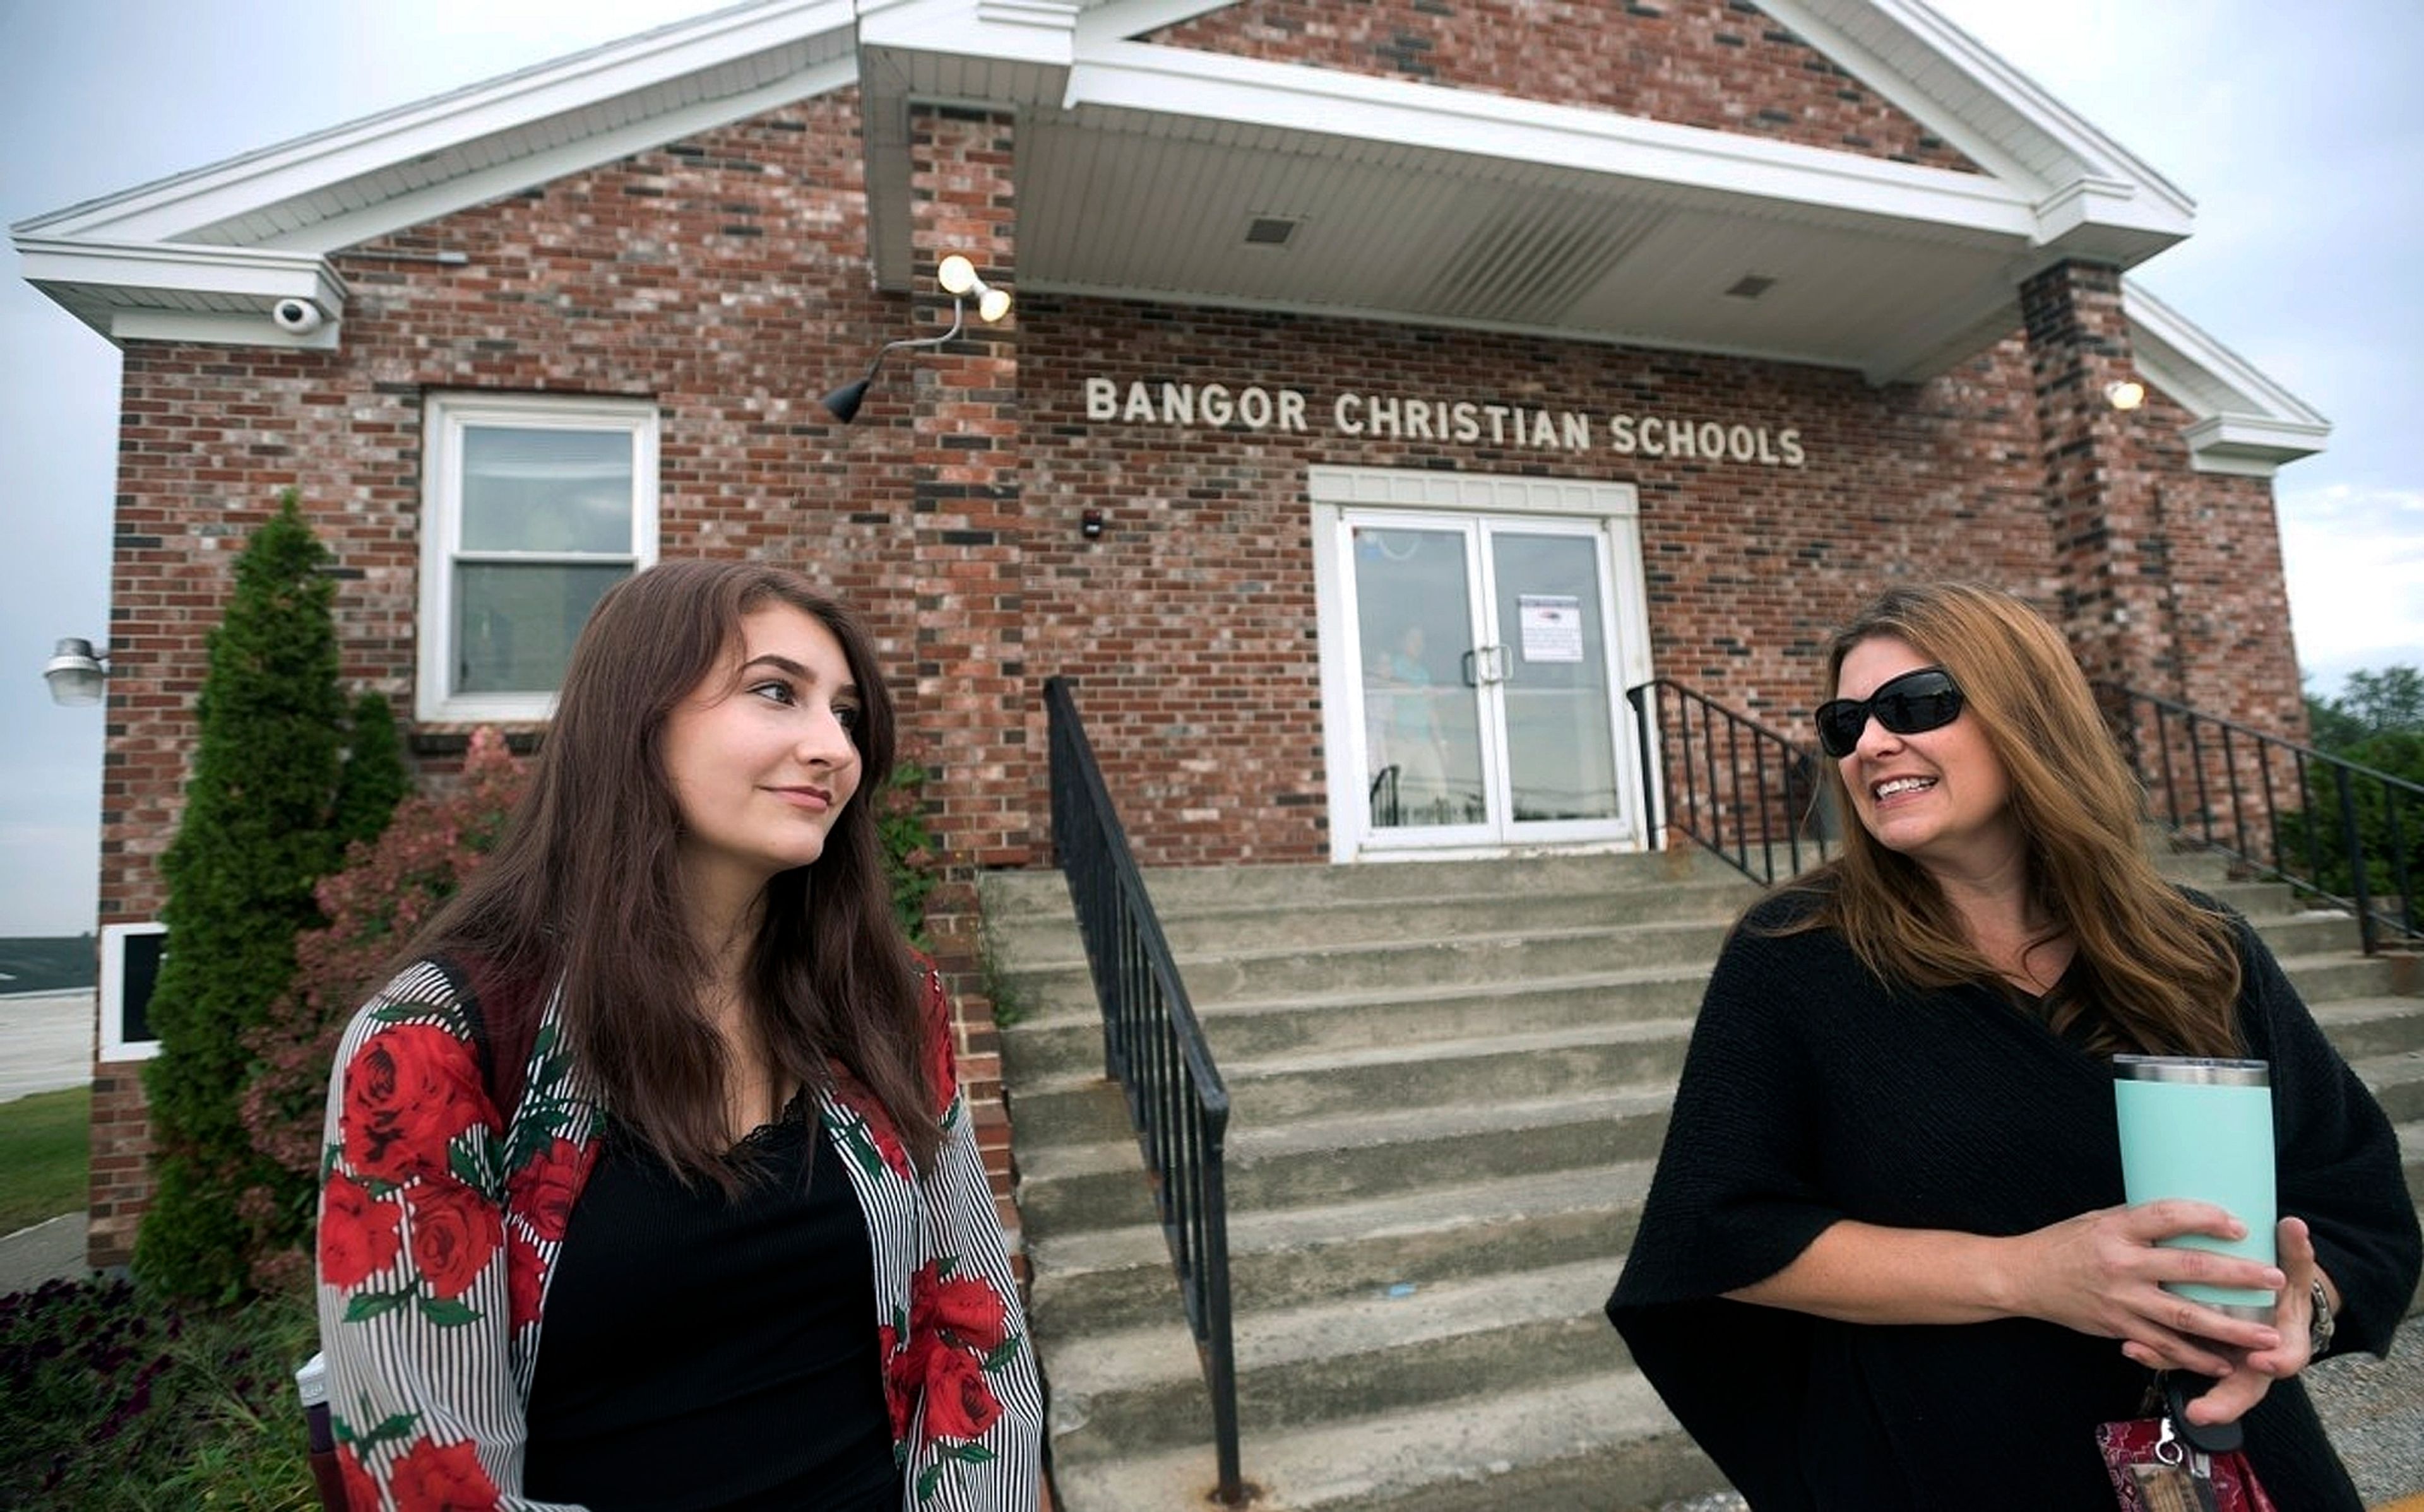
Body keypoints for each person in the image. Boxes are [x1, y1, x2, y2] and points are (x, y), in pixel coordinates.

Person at [1605, 582, 2419, 1509]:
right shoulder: (1796, 959)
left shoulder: (2200, 948)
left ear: (2029, 717)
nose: (1870, 744)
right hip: (1945, 1459)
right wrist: (2023, 1273)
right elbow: (1713, 1234)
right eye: (1845, 723)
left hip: (2223, 1457)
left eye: (1916, 706)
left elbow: (2352, 1197)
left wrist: (2298, 1317)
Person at [314, 559, 1042, 1511]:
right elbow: (430, 1480)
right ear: (637, 718)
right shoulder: (438, 1041)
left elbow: (973, 1334)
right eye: (778, 692)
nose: (834, 748)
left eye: (848, 714)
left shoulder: (886, 1007)